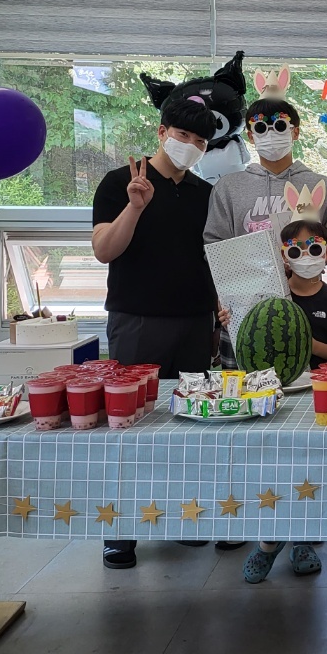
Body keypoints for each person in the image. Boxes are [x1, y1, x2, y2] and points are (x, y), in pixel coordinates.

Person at [91, 98, 225, 571]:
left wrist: (217, 315)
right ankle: (119, 533)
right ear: (162, 131)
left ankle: (182, 518)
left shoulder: (206, 194)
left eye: (200, 141)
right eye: (183, 135)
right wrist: (134, 206)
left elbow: (212, 259)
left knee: (189, 426)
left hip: (195, 323)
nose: (190, 145)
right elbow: (104, 250)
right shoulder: (121, 182)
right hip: (137, 321)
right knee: (128, 426)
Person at [243, 219, 327, 585]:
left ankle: (303, 541)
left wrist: (306, 340)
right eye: (296, 249)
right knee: (275, 470)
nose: (306, 256)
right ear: (284, 256)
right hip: (275, 397)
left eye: (314, 248)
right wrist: (231, 319)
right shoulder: (270, 300)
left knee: (310, 471)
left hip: (318, 399)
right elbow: (248, 336)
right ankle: (267, 542)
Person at [204, 96, 327, 364]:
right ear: (250, 135)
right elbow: (215, 251)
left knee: (306, 383)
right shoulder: (228, 188)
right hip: (245, 308)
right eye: (261, 128)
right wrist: (223, 301)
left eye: (280, 126)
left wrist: (310, 257)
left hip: (307, 303)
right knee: (246, 385)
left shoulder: (325, 188)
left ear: (295, 131)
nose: (271, 134)